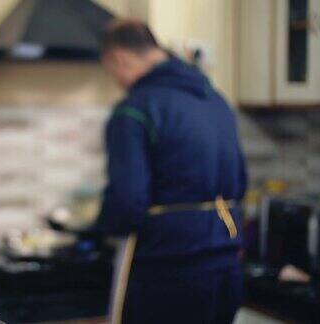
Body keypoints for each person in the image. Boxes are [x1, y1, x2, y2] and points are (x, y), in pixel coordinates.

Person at [93, 19, 248, 324]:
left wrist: (97, 229)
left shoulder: (134, 109)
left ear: (120, 58)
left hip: (166, 268)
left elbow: (128, 203)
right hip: (226, 266)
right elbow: (240, 183)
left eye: (113, 73)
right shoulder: (216, 100)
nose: (119, 82)